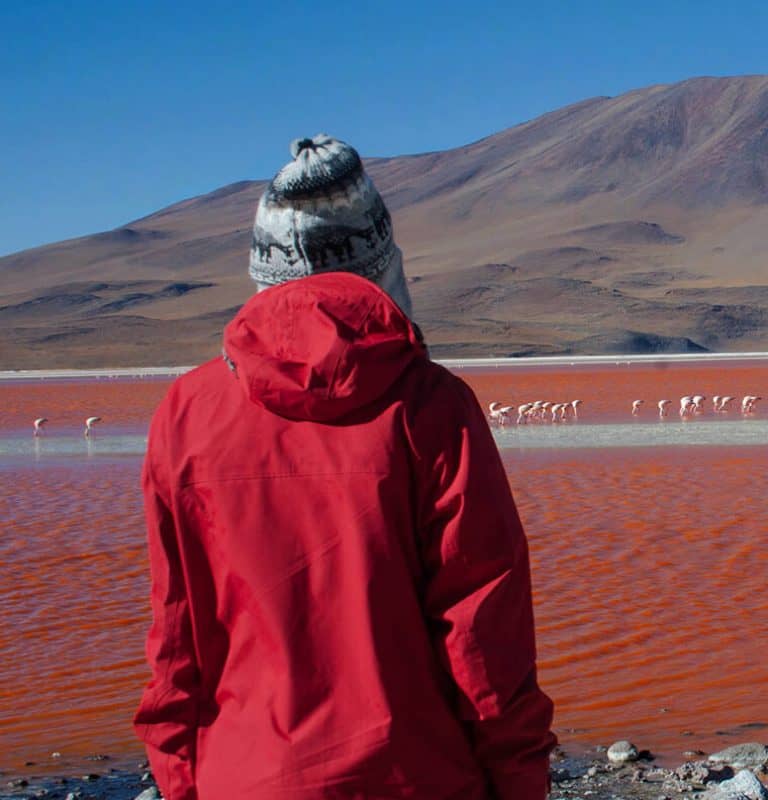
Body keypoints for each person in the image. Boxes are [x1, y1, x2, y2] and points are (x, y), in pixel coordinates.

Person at [134, 134, 556, 799]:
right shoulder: (432, 406)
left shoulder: (186, 412)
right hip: (415, 778)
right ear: (383, 266)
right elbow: (483, 635)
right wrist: (519, 780)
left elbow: (177, 636)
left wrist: (185, 778)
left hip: (244, 777)